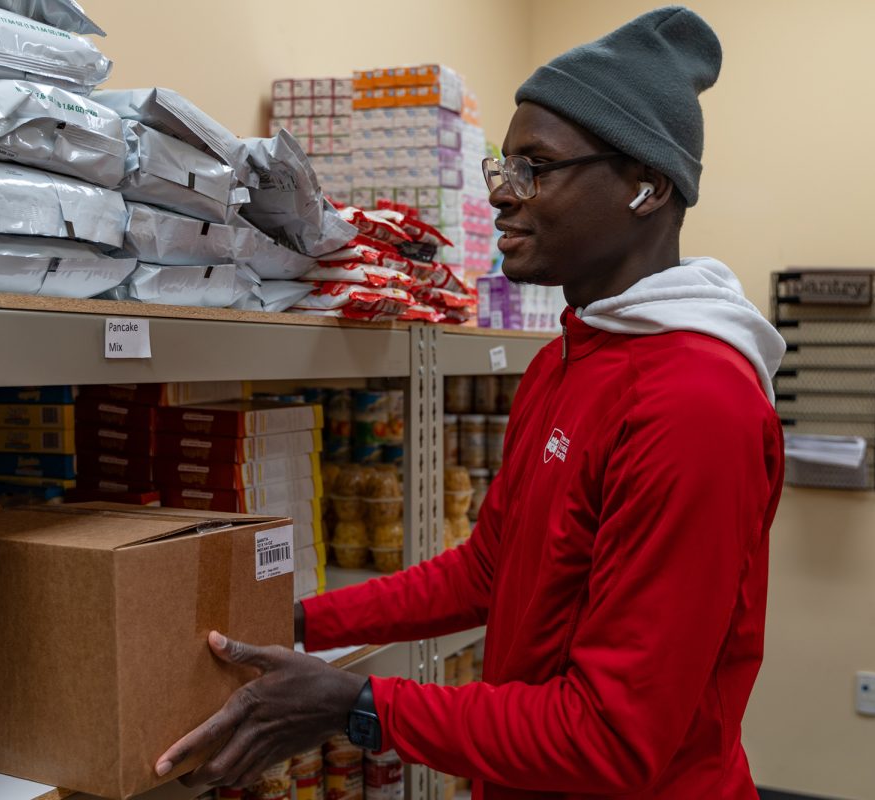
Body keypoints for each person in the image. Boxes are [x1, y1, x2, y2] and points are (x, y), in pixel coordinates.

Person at [156, 6, 787, 797]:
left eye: (535, 168)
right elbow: (490, 571)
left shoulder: (696, 404)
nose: (502, 195)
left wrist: (359, 704)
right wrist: (295, 622)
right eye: (500, 166)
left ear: (646, 187)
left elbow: (616, 737)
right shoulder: (568, 358)